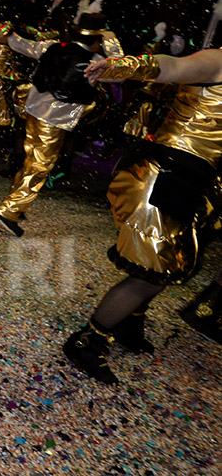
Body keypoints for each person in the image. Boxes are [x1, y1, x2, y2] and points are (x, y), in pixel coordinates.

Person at [63, 48, 222, 383]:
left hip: (190, 179)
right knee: (149, 272)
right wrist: (120, 65)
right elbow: (171, 65)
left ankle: (129, 321)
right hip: (167, 172)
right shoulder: (219, 60)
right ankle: (89, 341)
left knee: (169, 263)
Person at [0, 11, 121, 237]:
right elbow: (121, 72)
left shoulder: (52, 47)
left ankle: (15, 203)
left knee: (32, 160)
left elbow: (18, 43)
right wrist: (111, 39)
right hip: (54, 120)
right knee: (40, 167)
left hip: (33, 111)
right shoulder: (95, 64)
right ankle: (8, 211)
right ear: (97, 41)